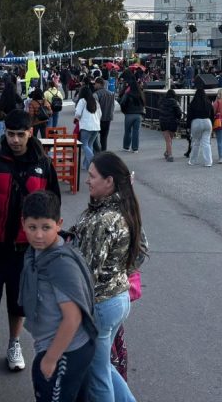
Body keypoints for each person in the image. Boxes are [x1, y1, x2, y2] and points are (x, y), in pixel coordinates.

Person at [0, 109, 61, 378]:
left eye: (19, 134)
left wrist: (48, 245)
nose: (14, 140)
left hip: (26, 250)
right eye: (9, 134)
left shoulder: (44, 164)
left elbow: (53, 205)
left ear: (29, 133)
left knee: (19, 302)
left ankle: (14, 344)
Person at [69, 152, 145, 402]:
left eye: (92, 176)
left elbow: (86, 273)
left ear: (109, 181)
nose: (87, 180)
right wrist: (119, 270)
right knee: (104, 368)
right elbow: (141, 250)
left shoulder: (104, 218)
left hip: (100, 305)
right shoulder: (123, 208)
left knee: (98, 376)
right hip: (117, 298)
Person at [19, 191, 98, 402]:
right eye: (32, 227)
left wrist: (50, 359)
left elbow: (72, 318)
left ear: (59, 224)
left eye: (46, 227)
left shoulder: (61, 265)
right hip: (64, 348)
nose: (38, 235)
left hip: (66, 352)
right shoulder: (39, 253)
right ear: (23, 224)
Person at [186, 80, 214, 167]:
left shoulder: (193, 103)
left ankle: (193, 161)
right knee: (206, 143)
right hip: (207, 122)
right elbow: (212, 115)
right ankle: (208, 162)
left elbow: (189, 116)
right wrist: (211, 124)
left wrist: (187, 126)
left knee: (196, 142)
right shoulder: (208, 103)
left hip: (196, 122)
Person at [76, 84, 103, 171]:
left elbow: (78, 114)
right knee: (89, 145)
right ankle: (85, 166)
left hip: (86, 126)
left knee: (84, 144)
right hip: (96, 126)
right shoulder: (95, 101)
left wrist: (78, 119)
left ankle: (93, 163)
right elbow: (100, 114)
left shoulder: (82, 101)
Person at [118, 77, 145, 153]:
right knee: (136, 132)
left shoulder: (128, 94)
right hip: (138, 115)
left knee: (127, 131)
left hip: (129, 114)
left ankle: (126, 147)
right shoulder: (140, 94)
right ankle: (135, 148)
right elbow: (143, 104)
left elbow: (122, 102)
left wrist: (124, 111)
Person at [158, 88, 183, 162]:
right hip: (173, 122)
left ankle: (169, 155)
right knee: (170, 139)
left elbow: (160, 111)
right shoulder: (175, 102)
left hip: (164, 122)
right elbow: (179, 113)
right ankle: (167, 153)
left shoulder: (162, 102)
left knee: (168, 140)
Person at [94, 77, 115, 153]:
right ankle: (103, 152)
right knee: (104, 137)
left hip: (98, 118)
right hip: (108, 118)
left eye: (95, 84)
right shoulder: (111, 94)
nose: (94, 85)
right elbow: (113, 106)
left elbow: (94, 107)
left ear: (99, 84)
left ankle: (97, 152)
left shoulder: (96, 94)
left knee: (94, 137)